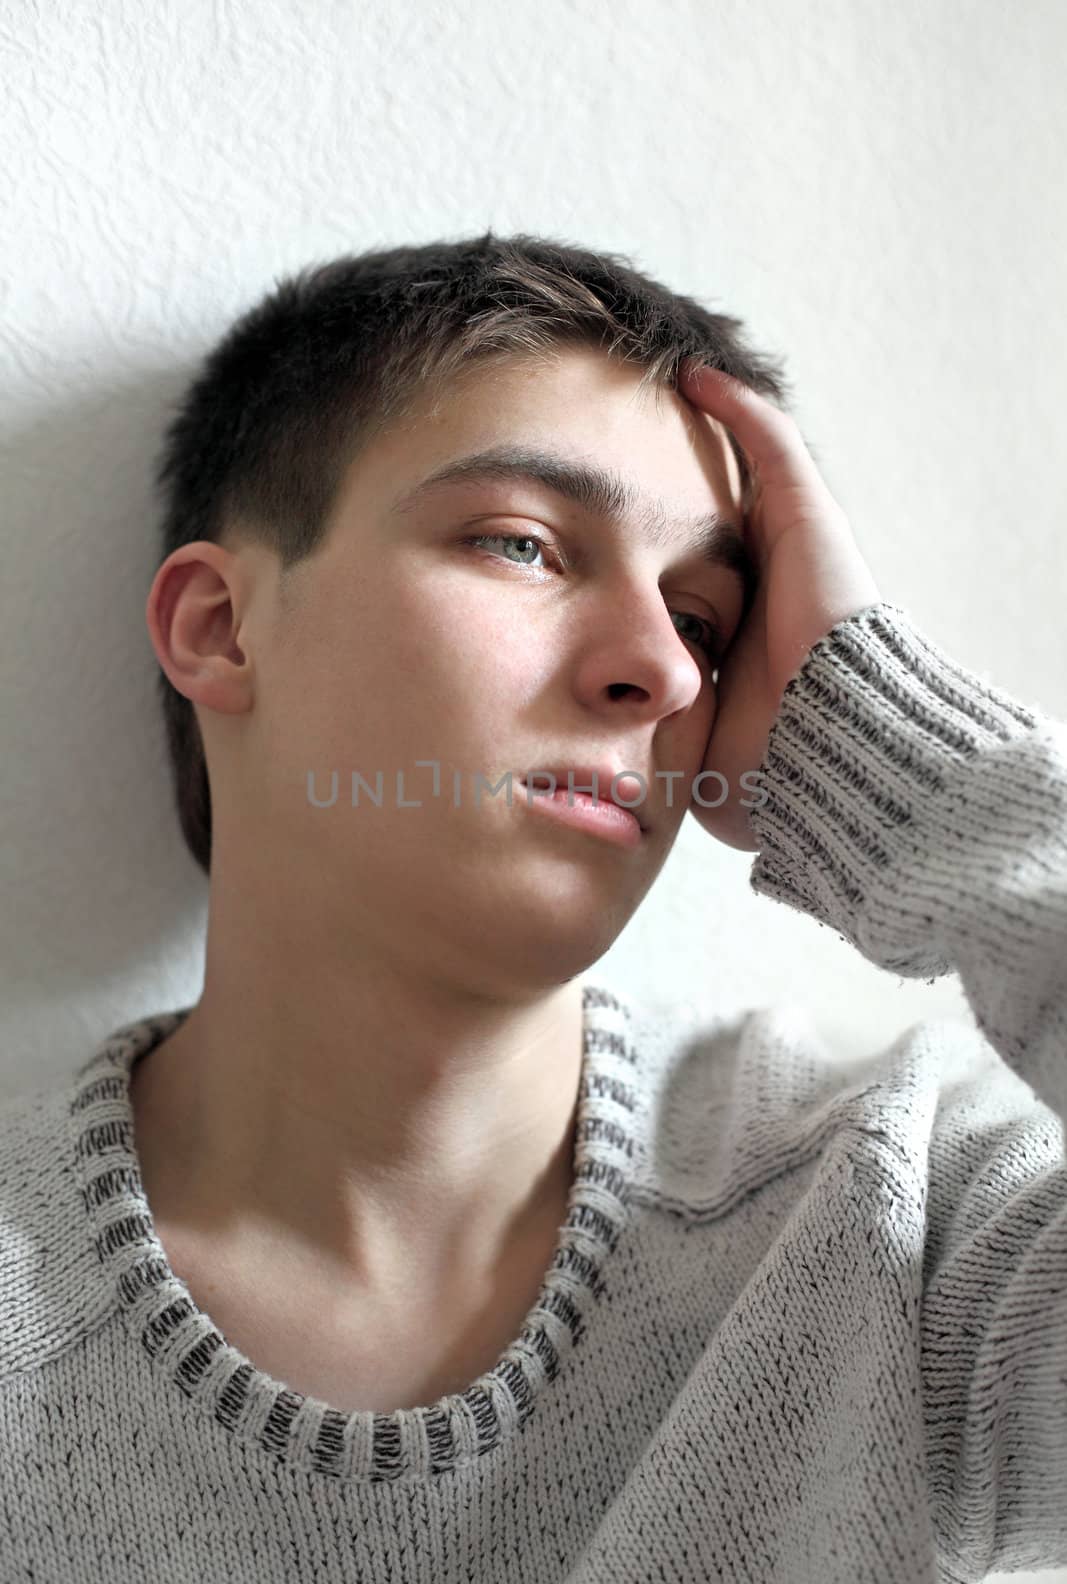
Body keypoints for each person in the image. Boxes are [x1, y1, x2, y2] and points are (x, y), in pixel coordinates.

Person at [1, 232, 1064, 1583]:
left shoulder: (901, 1230)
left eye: (710, 622)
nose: (661, 672)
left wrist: (902, 766)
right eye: (524, 543)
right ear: (220, 626)